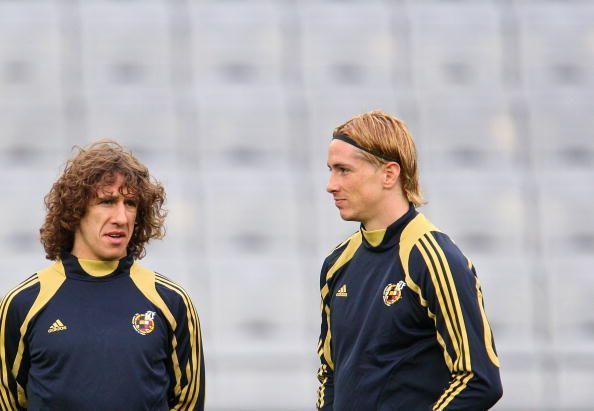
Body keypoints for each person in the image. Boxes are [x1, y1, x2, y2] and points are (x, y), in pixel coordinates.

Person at [316, 110, 502, 410]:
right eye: (330, 170)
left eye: (343, 170)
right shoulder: (337, 263)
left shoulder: (434, 257)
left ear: (389, 173)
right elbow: (329, 372)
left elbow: (478, 379)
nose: (331, 184)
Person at [0, 141, 205, 410]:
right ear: (75, 210)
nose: (121, 217)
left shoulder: (171, 302)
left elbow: (188, 403)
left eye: (130, 203)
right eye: (107, 201)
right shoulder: (23, 304)